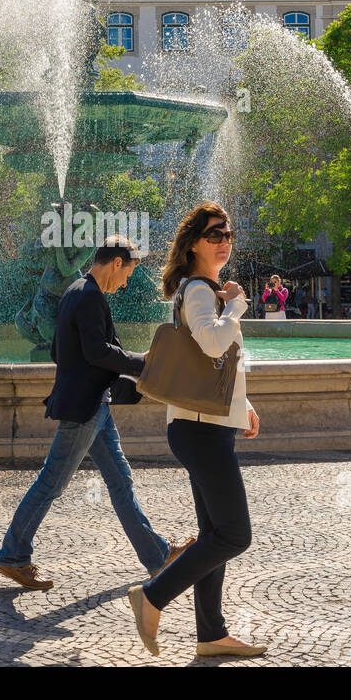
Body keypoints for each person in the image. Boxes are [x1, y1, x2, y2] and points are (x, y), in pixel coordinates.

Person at [0, 234, 193, 590]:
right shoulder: (88, 296)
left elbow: (60, 349)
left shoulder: (76, 291)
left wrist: (94, 373)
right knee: (51, 482)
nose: (127, 280)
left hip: (94, 404)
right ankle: (12, 555)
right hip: (85, 407)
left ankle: (156, 555)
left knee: (120, 481)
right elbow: (98, 352)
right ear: (116, 263)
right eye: (128, 272)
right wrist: (141, 362)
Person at [128, 202, 264, 660]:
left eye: (227, 234)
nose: (224, 241)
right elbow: (211, 341)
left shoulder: (206, 292)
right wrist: (239, 304)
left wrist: (242, 404)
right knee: (233, 535)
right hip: (200, 431)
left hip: (205, 426)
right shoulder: (201, 292)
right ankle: (152, 596)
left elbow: (213, 364)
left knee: (213, 534)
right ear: (193, 245)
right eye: (214, 235)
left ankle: (211, 634)